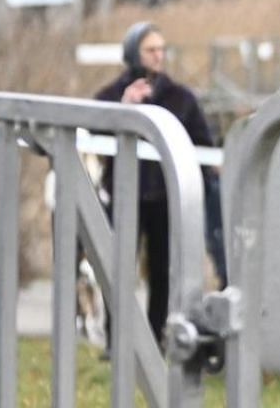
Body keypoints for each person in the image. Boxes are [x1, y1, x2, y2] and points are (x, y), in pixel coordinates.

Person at [94, 21, 218, 343]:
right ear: (133, 53)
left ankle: (154, 336)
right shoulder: (109, 95)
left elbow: (203, 145)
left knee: (162, 271)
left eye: (162, 49)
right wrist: (124, 110)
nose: (158, 56)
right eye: (151, 50)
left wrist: (199, 190)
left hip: (165, 197)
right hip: (125, 195)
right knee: (118, 267)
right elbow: (90, 134)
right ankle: (115, 337)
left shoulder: (181, 98)